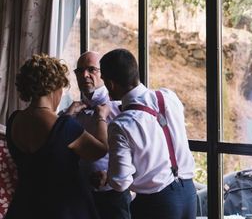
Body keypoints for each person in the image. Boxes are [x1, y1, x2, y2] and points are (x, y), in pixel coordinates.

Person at [5, 53, 109, 218]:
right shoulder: (64, 126)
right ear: (54, 87)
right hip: (63, 208)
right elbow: (100, 150)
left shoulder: (14, 119)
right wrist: (102, 117)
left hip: (24, 206)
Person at [100, 48, 197, 219]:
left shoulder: (121, 126)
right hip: (188, 194)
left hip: (155, 205)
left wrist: (107, 177)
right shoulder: (168, 97)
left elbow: (120, 182)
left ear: (110, 83)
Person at [63, 51, 131, 218]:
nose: (85, 75)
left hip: (114, 197)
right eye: (80, 71)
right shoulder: (70, 113)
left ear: (104, 74)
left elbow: (139, 154)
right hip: (79, 196)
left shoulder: (122, 110)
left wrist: (110, 176)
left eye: (91, 69)